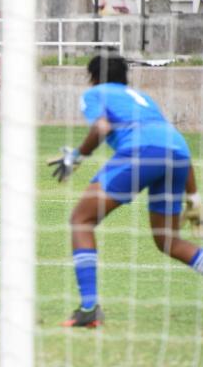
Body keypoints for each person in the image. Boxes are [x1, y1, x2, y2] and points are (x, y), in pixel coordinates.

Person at [48, 51, 203, 327]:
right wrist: (194, 198)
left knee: (81, 220)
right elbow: (177, 146)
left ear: (93, 77)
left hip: (141, 153)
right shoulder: (143, 99)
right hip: (177, 154)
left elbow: (102, 127)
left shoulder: (96, 93)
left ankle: (89, 309)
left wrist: (76, 157)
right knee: (168, 241)